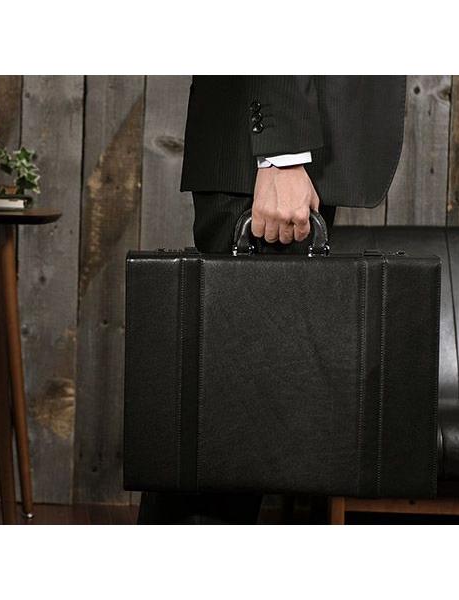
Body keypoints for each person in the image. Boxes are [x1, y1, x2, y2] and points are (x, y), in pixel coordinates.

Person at [138, 75, 407, 524]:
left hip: (300, 146)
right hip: (275, 151)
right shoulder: (282, 158)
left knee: (238, 422)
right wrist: (281, 155)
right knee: (225, 429)